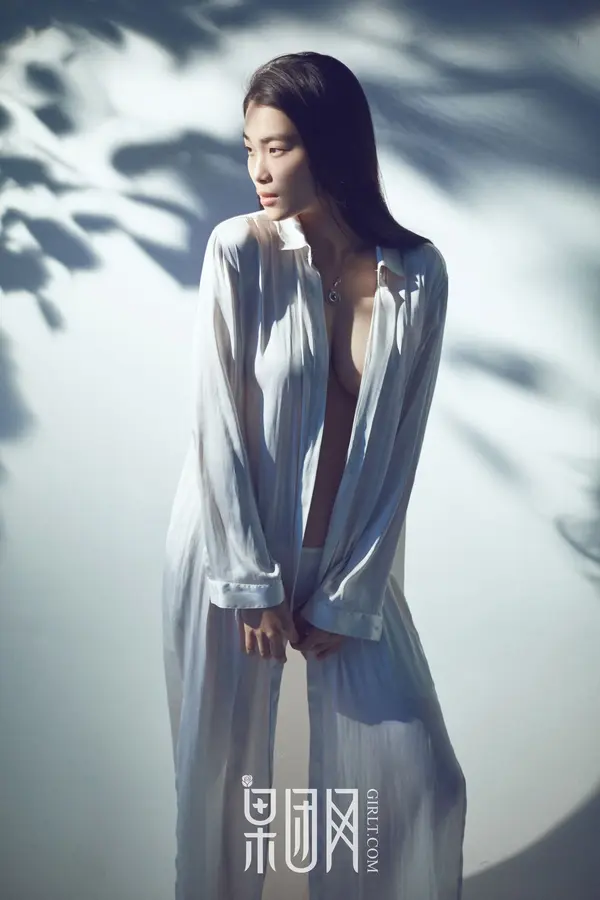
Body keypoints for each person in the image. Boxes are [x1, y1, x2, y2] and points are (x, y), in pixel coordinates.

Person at [161, 51, 466, 900]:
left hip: (345, 558)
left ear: (331, 145)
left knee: (421, 780)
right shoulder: (239, 252)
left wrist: (352, 589)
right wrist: (248, 582)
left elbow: (401, 446)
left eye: (280, 147)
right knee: (223, 794)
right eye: (250, 149)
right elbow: (214, 425)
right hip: (231, 554)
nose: (259, 171)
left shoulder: (418, 274)